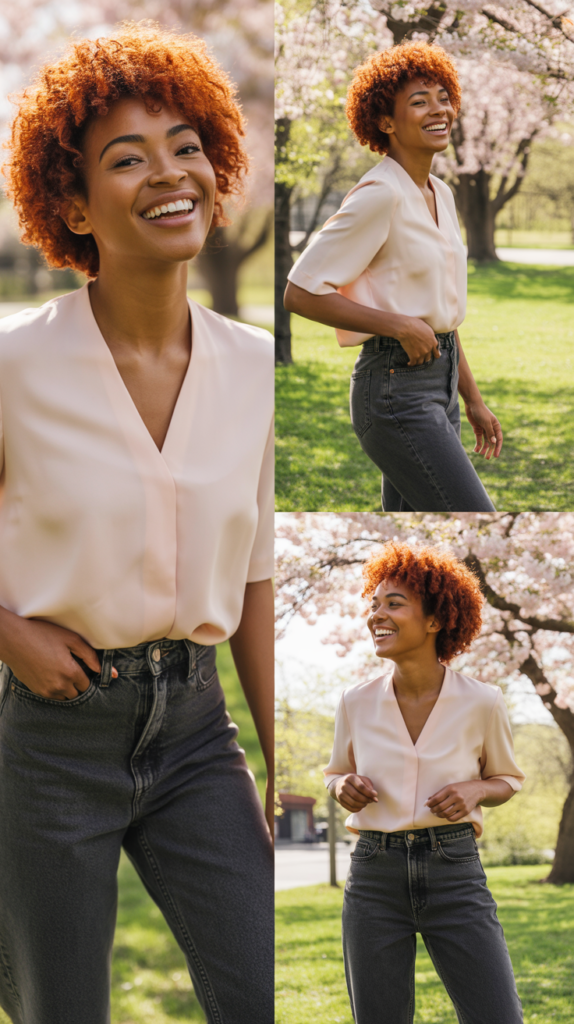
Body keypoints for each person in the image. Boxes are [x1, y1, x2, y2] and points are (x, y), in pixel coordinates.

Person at [0, 22, 273, 1024]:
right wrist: (9, 632)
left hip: (199, 733)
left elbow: (254, 574)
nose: (170, 174)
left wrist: (283, 767)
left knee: (257, 989)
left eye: (186, 146)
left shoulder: (252, 367)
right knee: (57, 1008)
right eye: (127, 157)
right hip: (52, 735)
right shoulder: (13, 364)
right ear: (71, 202)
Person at [284, 41, 501, 512]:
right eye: (419, 102)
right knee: (471, 514)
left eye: (443, 96)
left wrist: (473, 399)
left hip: (440, 384)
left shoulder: (440, 192)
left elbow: (439, 313)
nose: (438, 109)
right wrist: (398, 325)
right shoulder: (379, 194)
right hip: (394, 389)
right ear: (385, 121)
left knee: (410, 521)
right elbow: (300, 292)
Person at [325, 542, 524, 1023]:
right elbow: (334, 772)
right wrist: (341, 786)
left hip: (454, 869)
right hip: (374, 875)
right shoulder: (356, 701)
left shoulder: (482, 701)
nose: (377, 615)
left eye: (393, 604)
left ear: (435, 621)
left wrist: (476, 789)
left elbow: (507, 779)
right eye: (373, 605)